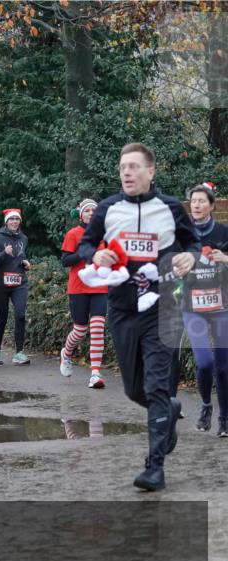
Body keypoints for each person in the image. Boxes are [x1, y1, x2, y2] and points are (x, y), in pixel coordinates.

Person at [77, 142, 200, 492]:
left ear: (150, 171)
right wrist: (95, 256)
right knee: (135, 389)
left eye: (133, 166)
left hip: (163, 306)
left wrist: (189, 258)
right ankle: (169, 410)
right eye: (122, 167)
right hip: (122, 308)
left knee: (157, 385)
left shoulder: (171, 208)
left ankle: (155, 466)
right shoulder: (108, 208)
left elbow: (192, 243)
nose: (126, 172)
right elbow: (86, 244)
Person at [180, 182, 228, 435]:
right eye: (193, 201)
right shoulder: (183, 232)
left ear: (211, 205)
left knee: (223, 366)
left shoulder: (223, 232)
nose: (196, 205)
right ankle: (207, 406)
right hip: (192, 306)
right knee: (205, 362)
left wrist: (225, 259)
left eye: (201, 201)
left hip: (221, 306)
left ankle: (225, 419)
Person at [60, 199, 108, 389]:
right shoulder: (73, 234)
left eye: (94, 211)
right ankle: (66, 353)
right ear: (81, 214)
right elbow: (65, 261)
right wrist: (83, 252)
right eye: (87, 211)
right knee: (80, 330)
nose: (91, 213)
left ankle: (95, 372)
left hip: (100, 287)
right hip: (78, 287)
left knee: (97, 327)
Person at [0, 209, 32, 365]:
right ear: (6, 222)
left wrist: (25, 262)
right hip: (0, 284)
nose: (14, 222)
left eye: (17, 219)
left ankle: (19, 352)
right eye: (12, 219)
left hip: (19, 283)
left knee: (20, 315)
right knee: (2, 319)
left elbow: (21, 256)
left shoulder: (24, 238)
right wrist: (3, 253)